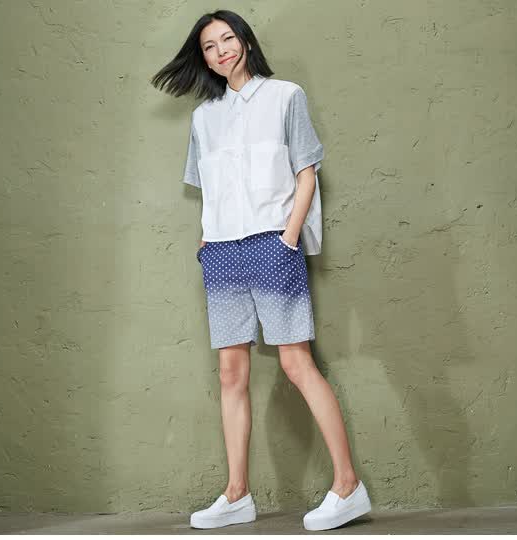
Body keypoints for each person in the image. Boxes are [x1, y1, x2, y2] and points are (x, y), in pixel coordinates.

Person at [150, 9, 372, 532]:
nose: (221, 50)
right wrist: (206, 241)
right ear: (204, 58)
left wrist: (289, 237)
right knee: (231, 373)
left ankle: (348, 486)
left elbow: (306, 173)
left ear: (246, 42)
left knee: (296, 363)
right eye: (209, 46)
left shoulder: (285, 96)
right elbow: (209, 190)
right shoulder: (204, 118)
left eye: (228, 39)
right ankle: (237, 495)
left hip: (273, 244)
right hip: (222, 251)